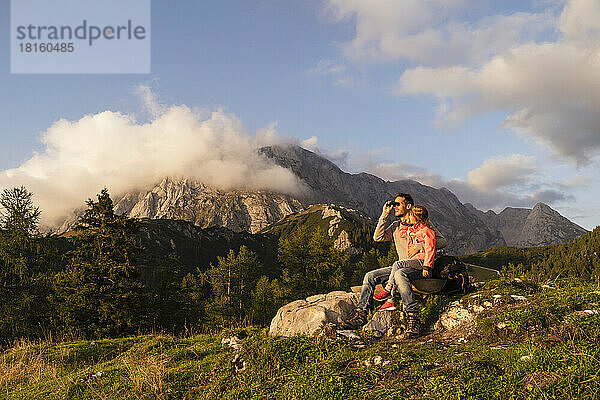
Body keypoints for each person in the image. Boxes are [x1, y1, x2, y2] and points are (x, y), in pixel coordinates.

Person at [344, 193, 447, 336]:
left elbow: (442, 241)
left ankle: (413, 317)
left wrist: (419, 246)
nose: (395, 207)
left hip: (418, 266)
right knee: (370, 276)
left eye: (398, 204)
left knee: (400, 273)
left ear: (409, 206)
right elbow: (377, 237)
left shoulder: (422, 223)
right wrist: (384, 215)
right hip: (399, 265)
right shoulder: (396, 226)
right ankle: (361, 313)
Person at [374, 205, 435, 313]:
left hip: (422, 262)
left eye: (410, 215)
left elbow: (430, 249)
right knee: (399, 272)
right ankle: (391, 300)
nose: (408, 217)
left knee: (398, 264)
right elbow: (401, 234)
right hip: (414, 262)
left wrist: (427, 267)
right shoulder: (412, 229)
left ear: (418, 218)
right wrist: (402, 224)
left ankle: (388, 289)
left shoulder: (427, 231)